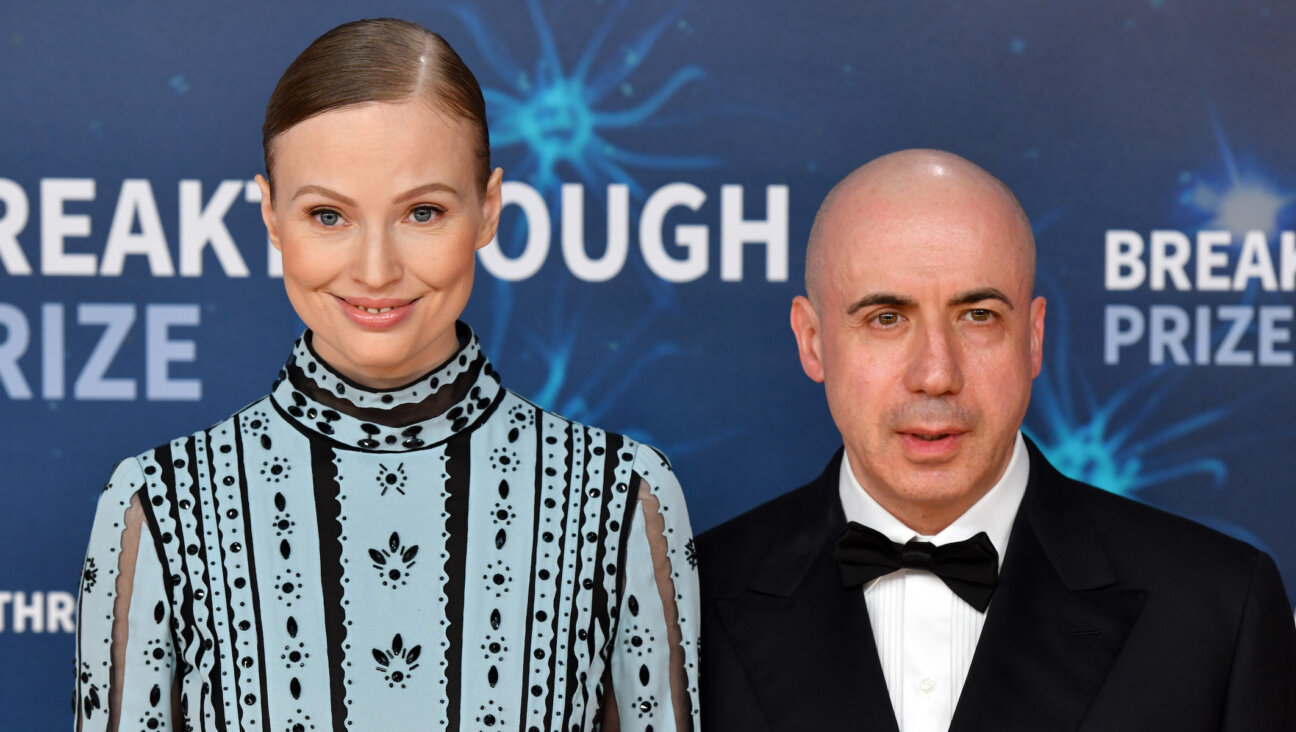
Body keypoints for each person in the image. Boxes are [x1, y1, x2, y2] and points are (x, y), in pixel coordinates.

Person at [74, 18, 698, 731]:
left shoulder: (621, 496)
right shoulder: (159, 505)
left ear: (488, 210)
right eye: (328, 215)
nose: (376, 270)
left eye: (422, 212)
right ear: (272, 217)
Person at [697, 149, 1296, 731]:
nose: (936, 374)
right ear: (812, 341)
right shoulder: (688, 606)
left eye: (978, 315)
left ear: (1033, 339)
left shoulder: (1220, 608)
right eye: (886, 318)